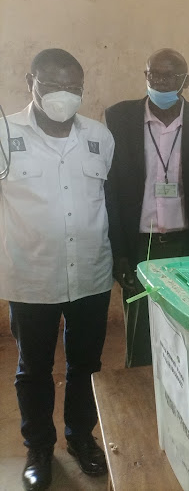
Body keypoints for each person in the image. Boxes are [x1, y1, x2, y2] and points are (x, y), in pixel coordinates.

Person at [0, 49, 113, 490]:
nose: (64, 96)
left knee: (86, 364)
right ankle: (39, 447)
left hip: (90, 274)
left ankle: (80, 438)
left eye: (74, 88)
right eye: (52, 86)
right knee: (34, 368)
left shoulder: (100, 137)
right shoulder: (5, 132)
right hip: (32, 276)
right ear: (31, 81)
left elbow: (108, 201)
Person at [105, 48, 189, 368]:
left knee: (186, 329)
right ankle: (143, 399)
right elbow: (112, 190)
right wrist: (119, 253)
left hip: (188, 245)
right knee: (140, 333)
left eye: (168, 76)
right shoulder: (119, 117)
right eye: (152, 74)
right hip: (139, 245)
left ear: (185, 81)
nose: (158, 82)